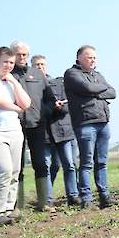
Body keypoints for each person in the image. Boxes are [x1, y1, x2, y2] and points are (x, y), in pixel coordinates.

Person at [64, 45, 116, 210]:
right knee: (86, 163)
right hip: (86, 123)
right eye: (89, 57)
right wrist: (98, 90)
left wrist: (95, 91)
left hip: (103, 122)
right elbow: (88, 88)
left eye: (94, 57)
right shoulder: (72, 74)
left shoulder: (97, 75)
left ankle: (104, 196)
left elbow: (113, 92)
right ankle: (86, 199)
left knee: (102, 162)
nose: (93, 60)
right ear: (79, 57)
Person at [0, 47, 31, 228]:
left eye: (11, 62)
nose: (8, 65)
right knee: (3, 170)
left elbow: (27, 103)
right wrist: (16, 108)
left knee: (14, 171)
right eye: (5, 61)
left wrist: (14, 82)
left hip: (14, 130)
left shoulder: (11, 81)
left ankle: (8, 208)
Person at [10, 41, 56, 211]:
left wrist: (45, 113)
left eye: (24, 54)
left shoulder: (37, 74)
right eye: (18, 54)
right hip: (15, 126)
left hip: (37, 125)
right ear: (12, 54)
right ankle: (17, 205)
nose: (22, 57)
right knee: (16, 166)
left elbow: (50, 99)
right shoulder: (7, 75)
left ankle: (44, 202)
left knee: (40, 163)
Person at [33, 56, 79, 207]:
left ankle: (73, 195)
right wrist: (53, 107)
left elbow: (68, 104)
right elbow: (32, 110)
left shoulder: (58, 83)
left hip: (62, 130)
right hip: (43, 132)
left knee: (69, 164)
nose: (40, 67)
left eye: (42, 64)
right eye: (36, 65)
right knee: (46, 166)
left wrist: (60, 107)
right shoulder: (29, 86)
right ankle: (47, 199)